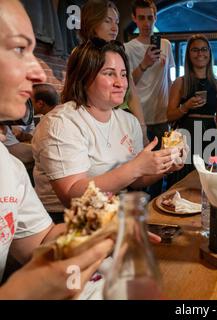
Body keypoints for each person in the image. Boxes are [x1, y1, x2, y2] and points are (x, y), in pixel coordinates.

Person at [0, 0, 113, 299]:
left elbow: (41, 241)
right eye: (19, 49)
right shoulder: (60, 123)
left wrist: (104, 226)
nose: (39, 73)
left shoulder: (7, 166)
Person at [32, 39, 183, 223]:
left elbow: (135, 180)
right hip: (66, 223)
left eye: (123, 74)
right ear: (84, 77)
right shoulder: (61, 122)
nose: (120, 83)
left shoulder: (128, 121)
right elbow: (72, 197)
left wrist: (165, 165)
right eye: (109, 74)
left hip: (115, 214)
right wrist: (136, 167)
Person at [79, 0, 149, 146]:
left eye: (116, 22)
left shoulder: (119, 53)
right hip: (90, 121)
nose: (114, 27)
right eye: (107, 21)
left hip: (120, 119)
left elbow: (132, 93)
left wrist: (142, 128)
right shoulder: (81, 55)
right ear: (92, 22)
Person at [124, 0, 175, 196]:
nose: (146, 23)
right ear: (135, 19)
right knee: (141, 172)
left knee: (161, 172)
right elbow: (127, 85)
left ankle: (157, 212)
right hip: (138, 119)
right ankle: (141, 213)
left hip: (162, 117)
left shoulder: (166, 45)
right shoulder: (127, 49)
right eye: (142, 18)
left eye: (150, 17)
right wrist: (144, 64)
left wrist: (172, 111)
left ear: (156, 18)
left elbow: (169, 81)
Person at [167, 34, 217, 180]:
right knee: (182, 178)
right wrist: (185, 107)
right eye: (195, 50)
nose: (200, 53)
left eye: (204, 49)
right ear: (188, 54)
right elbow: (169, 116)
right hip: (185, 135)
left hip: (210, 135)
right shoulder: (180, 83)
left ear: (209, 53)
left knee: (210, 179)